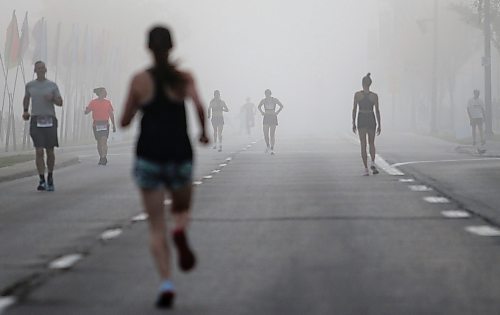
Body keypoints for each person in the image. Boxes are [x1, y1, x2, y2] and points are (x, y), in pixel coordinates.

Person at [120, 25, 209, 309]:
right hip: (180, 155)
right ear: (172, 47)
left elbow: (124, 120)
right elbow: (199, 106)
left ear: (148, 48)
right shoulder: (183, 78)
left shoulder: (139, 80)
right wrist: (204, 132)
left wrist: (137, 108)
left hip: (149, 156)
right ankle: (180, 229)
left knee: (156, 226)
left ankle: (167, 282)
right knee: (181, 210)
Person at [22, 61, 63, 191]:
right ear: (35, 71)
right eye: (38, 68)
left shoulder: (52, 85)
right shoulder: (30, 85)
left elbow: (60, 102)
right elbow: (26, 98)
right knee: (39, 151)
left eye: (42, 68)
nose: (40, 70)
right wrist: (25, 111)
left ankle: (50, 176)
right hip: (36, 120)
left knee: (49, 151)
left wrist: (52, 98)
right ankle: (41, 179)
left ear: (46, 70)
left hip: (49, 119)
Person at [352, 73, 381, 176]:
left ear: (362, 83)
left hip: (361, 118)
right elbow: (377, 110)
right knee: (372, 143)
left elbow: (354, 109)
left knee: (363, 144)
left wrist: (353, 123)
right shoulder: (374, 96)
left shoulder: (357, 95)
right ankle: (372, 162)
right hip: (371, 118)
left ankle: (366, 169)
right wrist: (379, 124)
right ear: (370, 84)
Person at [85, 87, 116, 165]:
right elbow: (87, 111)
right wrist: (86, 110)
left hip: (105, 123)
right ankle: (101, 157)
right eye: (104, 92)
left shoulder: (108, 102)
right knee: (99, 142)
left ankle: (104, 157)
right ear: (100, 93)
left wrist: (114, 125)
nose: (105, 93)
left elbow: (111, 114)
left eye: (106, 92)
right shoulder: (93, 102)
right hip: (96, 124)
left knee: (104, 141)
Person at [258, 89, 283, 155]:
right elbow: (259, 106)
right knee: (265, 134)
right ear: (265, 94)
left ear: (270, 94)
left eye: (268, 94)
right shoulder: (263, 100)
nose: (267, 95)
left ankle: (272, 148)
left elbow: (281, 106)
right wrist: (262, 112)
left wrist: (277, 112)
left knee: (272, 134)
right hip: (266, 116)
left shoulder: (274, 99)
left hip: (273, 116)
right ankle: (268, 145)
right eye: (266, 94)